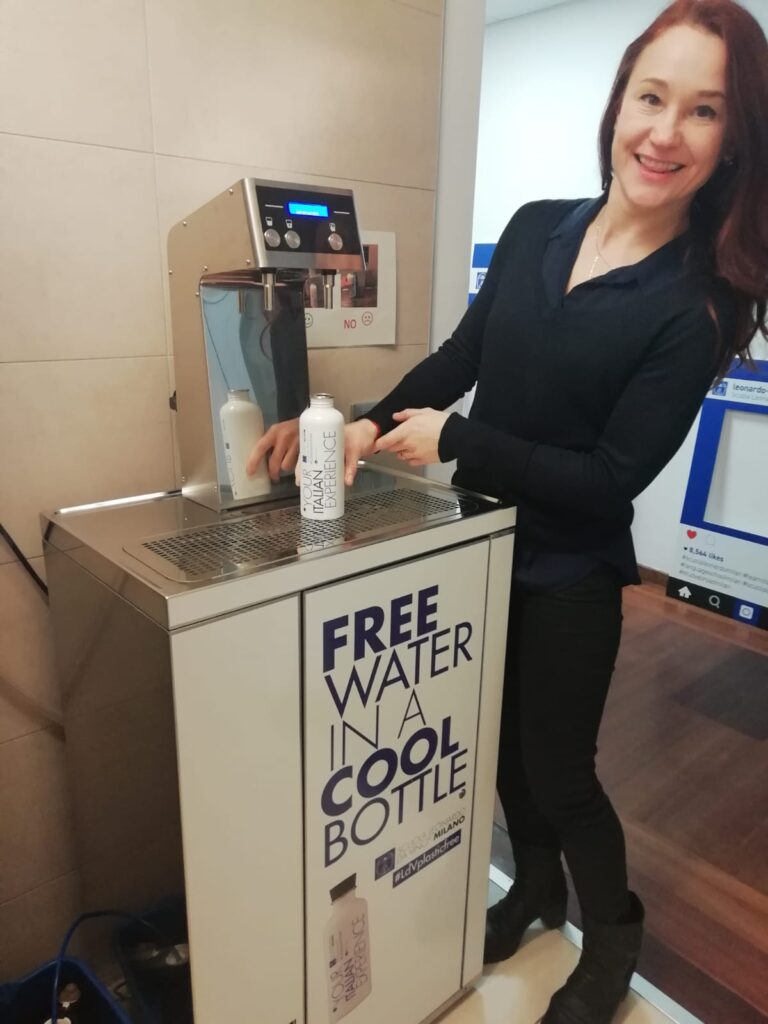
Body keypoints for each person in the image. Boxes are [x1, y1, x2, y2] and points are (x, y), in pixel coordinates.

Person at [249, 2, 768, 1021]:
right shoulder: (537, 227)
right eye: (651, 97)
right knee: (493, 751)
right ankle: (533, 890)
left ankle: (611, 936)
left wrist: (461, 443)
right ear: (619, 102)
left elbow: (609, 479)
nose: (665, 132)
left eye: (704, 111)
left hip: (570, 573)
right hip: (476, 549)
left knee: (561, 773)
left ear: (733, 141)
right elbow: (461, 359)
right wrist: (362, 424)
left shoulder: (698, 304)